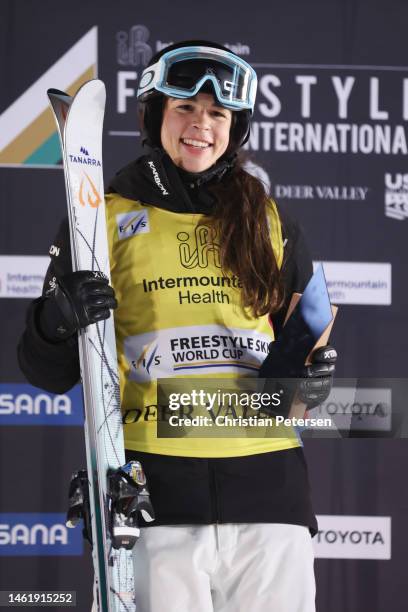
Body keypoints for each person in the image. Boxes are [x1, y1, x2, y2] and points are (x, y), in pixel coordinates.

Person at [18, 41, 336, 612]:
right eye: (184, 108)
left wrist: (311, 382)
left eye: (217, 114)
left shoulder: (270, 221)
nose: (200, 125)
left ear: (234, 129)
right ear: (154, 115)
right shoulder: (100, 214)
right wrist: (58, 321)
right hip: (154, 499)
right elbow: (42, 371)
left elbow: (301, 384)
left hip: (270, 500)